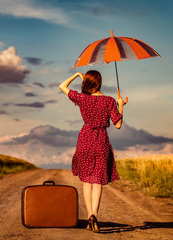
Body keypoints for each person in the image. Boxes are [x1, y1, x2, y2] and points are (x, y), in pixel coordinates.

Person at [59, 70, 125, 233]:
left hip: (85, 140)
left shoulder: (82, 98)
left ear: (87, 83)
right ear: (100, 83)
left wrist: (77, 75)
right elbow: (118, 125)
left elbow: (62, 86)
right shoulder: (109, 101)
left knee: (86, 181)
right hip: (101, 141)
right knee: (97, 181)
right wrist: (121, 105)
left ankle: (90, 215)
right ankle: (94, 214)